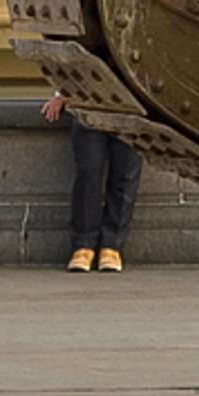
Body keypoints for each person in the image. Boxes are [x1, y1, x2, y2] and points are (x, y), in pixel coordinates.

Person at [41, 88, 140, 274]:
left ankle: (112, 246)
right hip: (88, 103)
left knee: (124, 175)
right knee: (88, 173)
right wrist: (61, 95)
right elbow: (74, 61)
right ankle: (83, 245)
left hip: (130, 105)